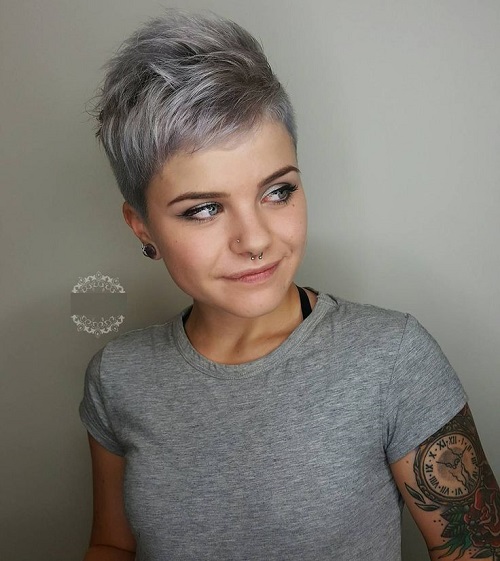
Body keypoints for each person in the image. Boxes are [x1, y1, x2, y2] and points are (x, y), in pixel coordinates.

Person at [79, 10, 499, 561]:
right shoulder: (118, 377)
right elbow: (112, 544)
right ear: (142, 227)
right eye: (204, 209)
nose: (255, 239)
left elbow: (475, 548)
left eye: (277, 192)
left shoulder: (391, 358)